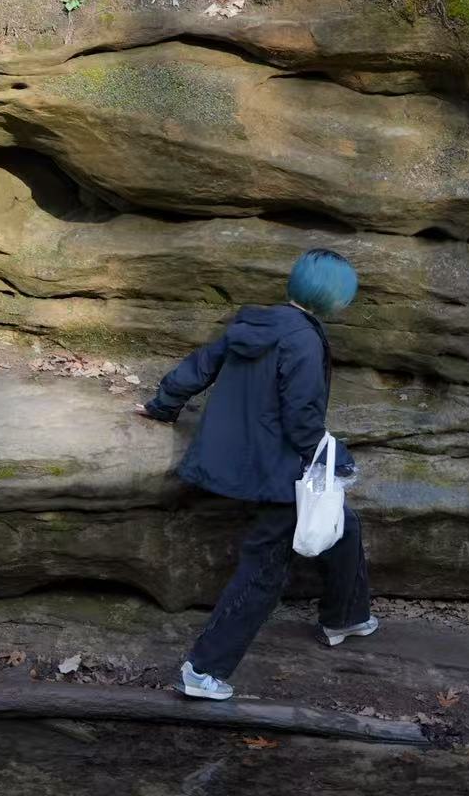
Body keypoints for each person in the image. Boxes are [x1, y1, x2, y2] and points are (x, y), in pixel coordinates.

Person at [135, 247, 377, 701]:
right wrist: (338, 459)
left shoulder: (253, 324)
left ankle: (345, 615)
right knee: (264, 571)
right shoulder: (304, 340)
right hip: (274, 470)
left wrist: (162, 405)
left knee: (346, 523)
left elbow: (199, 366)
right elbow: (302, 418)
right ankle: (203, 670)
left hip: (237, 459)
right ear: (334, 297)